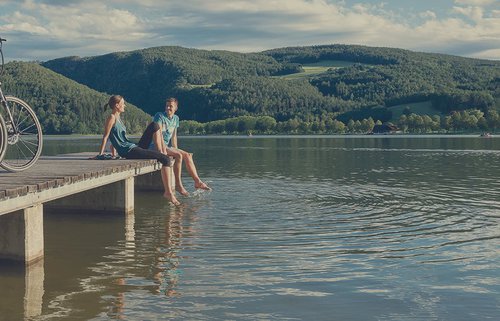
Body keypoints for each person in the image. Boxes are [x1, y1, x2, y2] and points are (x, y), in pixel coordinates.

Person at [97, 95, 180, 206]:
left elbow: (116, 138)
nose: (125, 105)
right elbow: (106, 136)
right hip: (129, 151)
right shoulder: (111, 117)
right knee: (165, 159)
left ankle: (160, 150)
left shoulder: (118, 118)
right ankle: (168, 192)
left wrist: (113, 151)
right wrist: (100, 154)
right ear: (117, 106)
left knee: (155, 125)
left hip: (132, 146)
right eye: (123, 103)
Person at [138, 97, 210, 196]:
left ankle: (197, 181)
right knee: (179, 155)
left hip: (167, 145)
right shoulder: (159, 116)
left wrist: (176, 148)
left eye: (170, 106)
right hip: (155, 145)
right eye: (167, 106)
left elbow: (174, 136)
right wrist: (164, 151)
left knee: (188, 155)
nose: (168, 108)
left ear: (176, 107)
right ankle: (178, 185)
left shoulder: (176, 118)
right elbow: (158, 135)